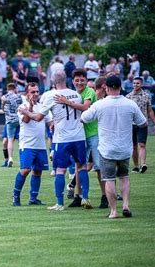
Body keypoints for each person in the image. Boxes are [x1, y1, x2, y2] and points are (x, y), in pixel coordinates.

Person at [19, 70, 91, 211]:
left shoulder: (50, 95)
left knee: (60, 170)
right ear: (67, 79)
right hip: (79, 137)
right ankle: (85, 198)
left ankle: (60, 203)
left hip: (62, 139)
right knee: (82, 167)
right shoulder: (76, 94)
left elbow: (39, 117)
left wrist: (26, 112)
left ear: (53, 82)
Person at [81, 75, 147, 219]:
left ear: (106, 87)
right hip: (125, 148)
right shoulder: (130, 104)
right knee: (124, 177)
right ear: (120, 87)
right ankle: (126, 205)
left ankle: (114, 211)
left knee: (109, 179)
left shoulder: (100, 104)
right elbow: (143, 122)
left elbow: (84, 118)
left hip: (107, 149)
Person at [55, 68, 105, 209]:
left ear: (86, 80)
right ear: (72, 81)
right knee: (80, 166)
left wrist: (66, 102)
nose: (79, 82)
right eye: (77, 80)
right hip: (80, 135)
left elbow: (84, 107)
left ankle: (104, 196)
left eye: (82, 79)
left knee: (98, 167)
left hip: (93, 133)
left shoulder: (88, 91)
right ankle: (79, 197)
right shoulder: (73, 94)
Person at [12, 82, 52, 206]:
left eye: (36, 92)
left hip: (40, 145)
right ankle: (16, 196)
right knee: (25, 170)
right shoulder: (22, 106)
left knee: (38, 171)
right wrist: (30, 105)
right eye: (32, 92)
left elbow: (50, 122)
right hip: (27, 144)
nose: (35, 94)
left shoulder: (43, 106)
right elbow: (26, 119)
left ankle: (33, 198)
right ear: (27, 94)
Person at [127, 77, 155, 173]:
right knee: (134, 146)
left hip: (142, 124)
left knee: (142, 144)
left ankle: (143, 164)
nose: (135, 85)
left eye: (137, 83)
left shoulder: (146, 96)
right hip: (130, 125)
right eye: (134, 83)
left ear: (142, 84)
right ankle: (136, 166)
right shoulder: (128, 97)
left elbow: (150, 110)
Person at [1, 83, 22, 167]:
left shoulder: (4, 97)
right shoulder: (19, 96)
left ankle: (10, 158)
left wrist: (3, 104)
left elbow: (3, 109)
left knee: (10, 140)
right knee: (21, 140)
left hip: (10, 120)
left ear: (7, 89)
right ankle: (22, 158)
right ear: (15, 88)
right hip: (19, 119)